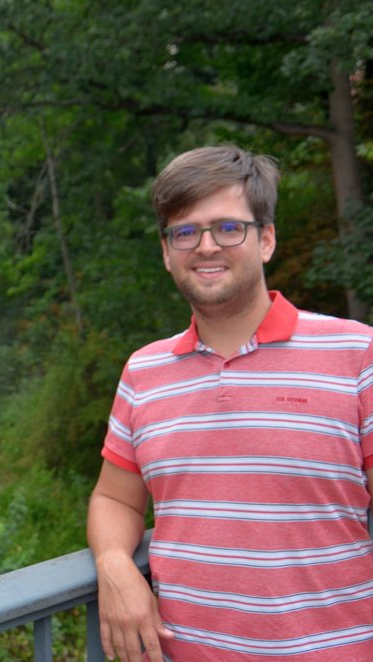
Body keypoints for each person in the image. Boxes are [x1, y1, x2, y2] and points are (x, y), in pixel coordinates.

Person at [88, 145, 373, 660]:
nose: (206, 246)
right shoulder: (144, 372)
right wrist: (113, 564)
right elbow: (115, 499)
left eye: (227, 228)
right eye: (185, 232)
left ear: (266, 239)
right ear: (167, 252)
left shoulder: (356, 354)